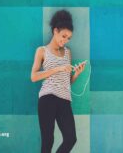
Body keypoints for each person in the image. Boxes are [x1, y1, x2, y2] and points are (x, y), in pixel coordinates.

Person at [30, 9, 86, 153]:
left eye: (69, 38)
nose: (65, 40)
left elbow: (66, 82)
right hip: (47, 98)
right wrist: (58, 69)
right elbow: (34, 77)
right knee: (48, 141)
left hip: (64, 100)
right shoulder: (42, 51)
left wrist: (76, 74)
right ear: (55, 31)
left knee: (71, 139)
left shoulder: (68, 52)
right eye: (63, 36)